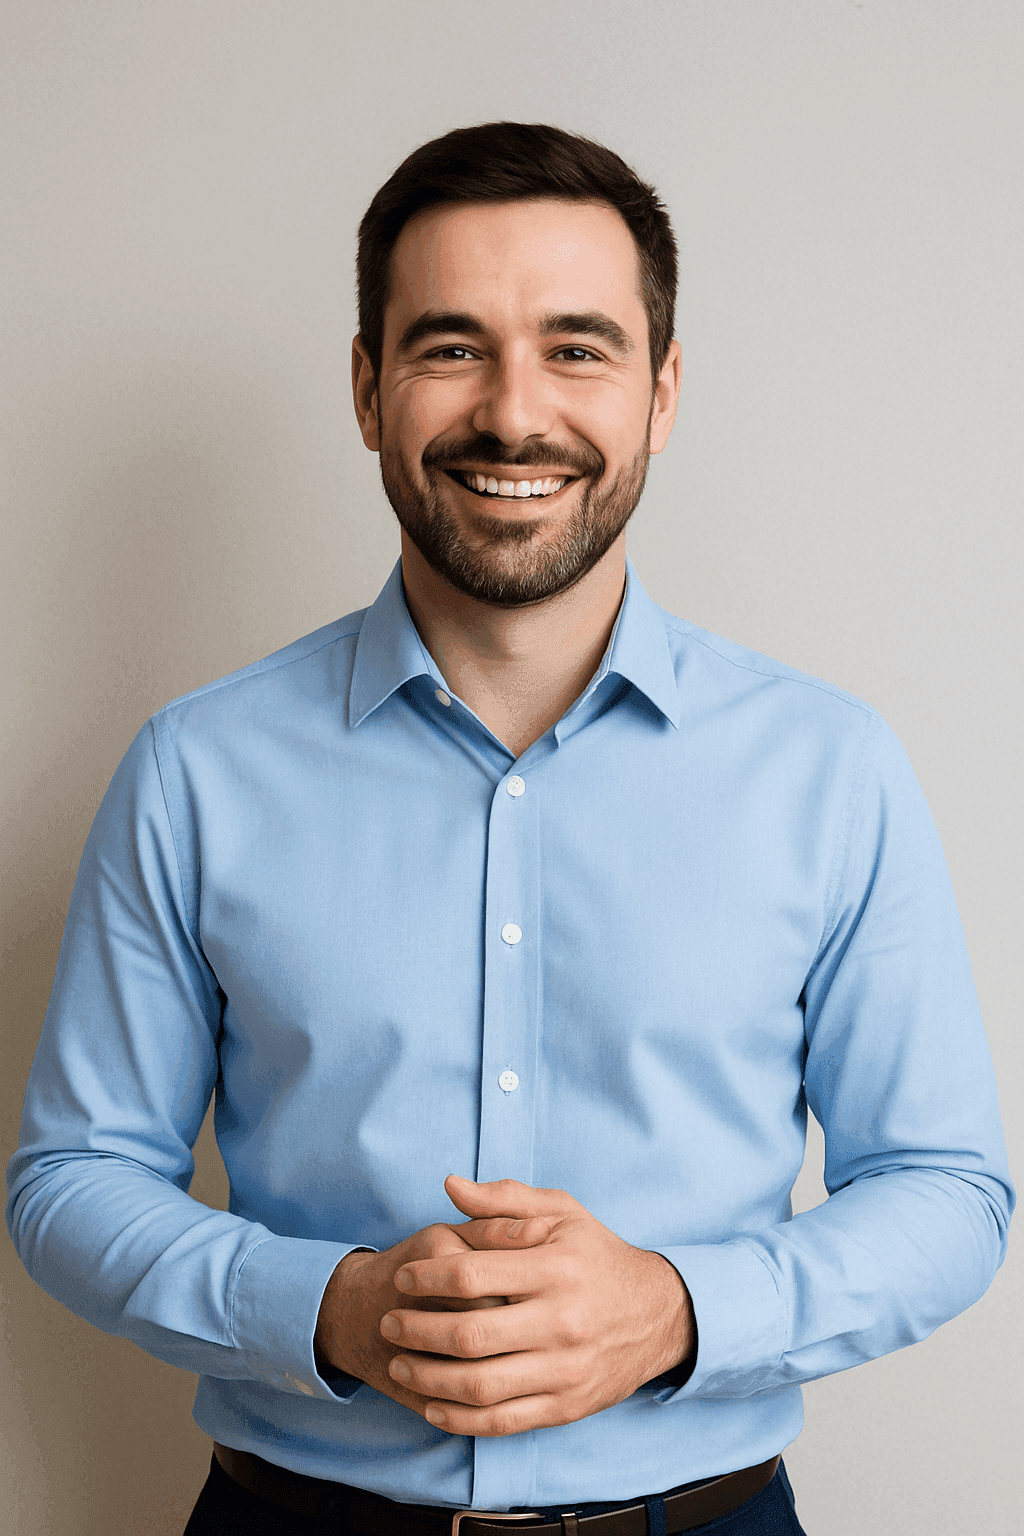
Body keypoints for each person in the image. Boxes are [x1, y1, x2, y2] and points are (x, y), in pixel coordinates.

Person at [6, 121, 1014, 1536]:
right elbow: (72, 1182)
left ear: (663, 393)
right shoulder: (195, 771)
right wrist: (335, 1310)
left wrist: (673, 1310)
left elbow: (949, 1191)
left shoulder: (829, 769)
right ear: (368, 389)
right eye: (450, 346)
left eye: (579, 348)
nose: (513, 412)